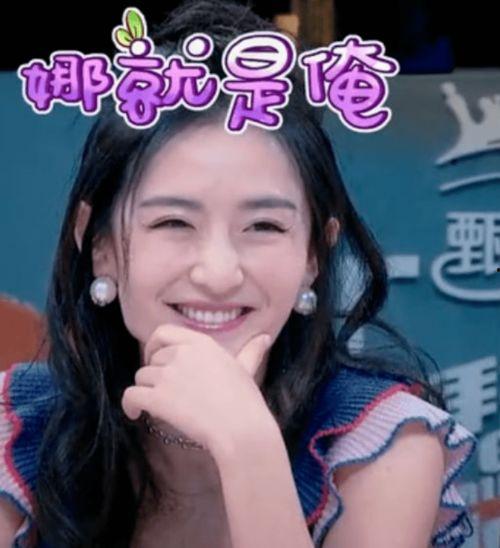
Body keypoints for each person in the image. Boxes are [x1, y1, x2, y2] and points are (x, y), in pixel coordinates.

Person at [0, 1, 477, 546]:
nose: (218, 273)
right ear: (100, 245)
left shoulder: (382, 443)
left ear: (314, 255)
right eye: (174, 222)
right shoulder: (18, 428)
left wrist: (249, 449)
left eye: (263, 226)